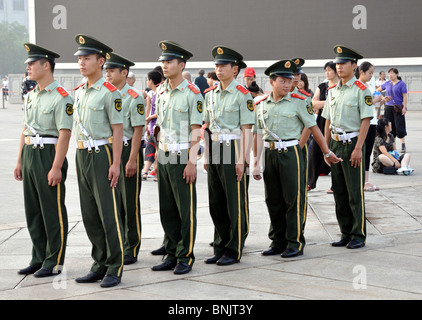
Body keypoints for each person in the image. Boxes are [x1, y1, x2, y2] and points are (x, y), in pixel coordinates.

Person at [253, 60, 341, 258]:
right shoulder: (260, 104)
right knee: (273, 199)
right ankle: (277, 240)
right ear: (271, 82)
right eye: (283, 81)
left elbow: (313, 128)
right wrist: (256, 162)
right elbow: (257, 134)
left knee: (294, 198)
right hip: (270, 153)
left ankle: (295, 242)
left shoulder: (300, 101)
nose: (287, 85)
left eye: (289, 81)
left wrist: (327, 152)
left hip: (291, 153)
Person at [14, 43, 73, 277]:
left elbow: (65, 134)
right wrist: (19, 161)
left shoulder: (62, 97)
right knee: (33, 211)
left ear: (46, 65)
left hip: (49, 155)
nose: (28, 67)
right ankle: (38, 257)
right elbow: (24, 130)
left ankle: (54, 261)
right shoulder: (30, 96)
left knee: (52, 210)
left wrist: (57, 166)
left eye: (31, 64)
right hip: (30, 154)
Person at [72, 35, 125, 288]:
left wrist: (115, 163)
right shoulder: (80, 92)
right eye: (80, 59)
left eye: (87, 58)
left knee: (108, 213)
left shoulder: (110, 93)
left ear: (101, 61)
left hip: (102, 155)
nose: (82, 62)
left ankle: (115, 265)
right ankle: (99, 262)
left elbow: (117, 129)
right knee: (90, 213)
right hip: (82, 154)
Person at [151, 40, 203, 275]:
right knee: (167, 207)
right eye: (162, 61)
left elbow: (196, 130)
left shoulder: (192, 93)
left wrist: (192, 162)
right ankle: (170, 253)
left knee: (184, 209)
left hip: (183, 155)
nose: (164, 65)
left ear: (181, 65)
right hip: (164, 155)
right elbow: (160, 124)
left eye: (169, 61)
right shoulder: (161, 91)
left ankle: (185, 256)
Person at [203, 46, 254, 266]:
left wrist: (242, 159)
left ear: (235, 69)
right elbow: (206, 126)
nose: (219, 69)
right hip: (214, 148)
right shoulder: (211, 94)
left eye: (223, 66)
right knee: (217, 202)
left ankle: (234, 249)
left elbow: (247, 129)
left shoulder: (243, 95)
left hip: (233, 147)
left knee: (235, 202)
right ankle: (220, 245)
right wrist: (205, 155)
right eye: (217, 66)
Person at [322, 45, 374, 250]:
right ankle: (345, 232)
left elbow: (366, 120)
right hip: (335, 143)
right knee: (340, 193)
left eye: (344, 63)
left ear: (354, 65)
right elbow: (327, 120)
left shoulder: (362, 90)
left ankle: (358, 234)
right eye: (337, 63)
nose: (339, 67)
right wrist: (326, 148)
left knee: (354, 193)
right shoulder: (332, 90)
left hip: (352, 143)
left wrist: (358, 148)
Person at [105, 52, 145, 265]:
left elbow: (138, 130)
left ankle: (132, 246)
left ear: (124, 72)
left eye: (112, 70)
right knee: (113, 203)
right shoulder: (106, 93)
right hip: (110, 150)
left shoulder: (134, 96)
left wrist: (132, 161)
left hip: (129, 150)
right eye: (107, 70)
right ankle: (117, 244)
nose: (108, 74)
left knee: (129, 202)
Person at [355, 62, 386, 191]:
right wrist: (376, 100)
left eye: (372, 73)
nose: (371, 75)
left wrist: (382, 101)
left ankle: (365, 180)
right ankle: (361, 181)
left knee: (367, 153)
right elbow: (365, 104)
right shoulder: (358, 86)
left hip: (372, 121)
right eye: (370, 73)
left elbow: (371, 103)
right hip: (363, 122)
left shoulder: (367, 86)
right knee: (362, 152)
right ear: (361, 72)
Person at [309, 61, 339, 192]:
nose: (327, 73)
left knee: (334, 151)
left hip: (336, 122)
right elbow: (313, 103)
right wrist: (329, 103)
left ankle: (335, 184)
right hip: (321, 122)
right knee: (315, 151)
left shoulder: (340, 87)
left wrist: (323, 104)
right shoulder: (322, 86)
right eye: (325, 70)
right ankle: (310, 182)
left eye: (329, 70)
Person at [379, 68, 408, 153]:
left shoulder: (401, 84)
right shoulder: (387, 83)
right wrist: (383, 98)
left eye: (392, 74)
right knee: (389, 127)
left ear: (397, 74)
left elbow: (405, 96)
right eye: (389, 74)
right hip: (388, 108)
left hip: (398, 108)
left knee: (399, 126)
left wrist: (404, 107)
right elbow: (377, 90)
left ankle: (403, 145)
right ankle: (392, 145)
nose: (390, 75)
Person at [142, 70, 162, 181]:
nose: (146, 82)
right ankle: (146, 171)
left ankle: (156, 171)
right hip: (153, 126)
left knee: (158, 150)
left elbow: (160, 112)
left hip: (159, 127)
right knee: (150, 147)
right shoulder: (152, 93)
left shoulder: (160, 93)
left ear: (151, 81)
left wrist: (150, 118)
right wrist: (147, 123)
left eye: (147, 79)